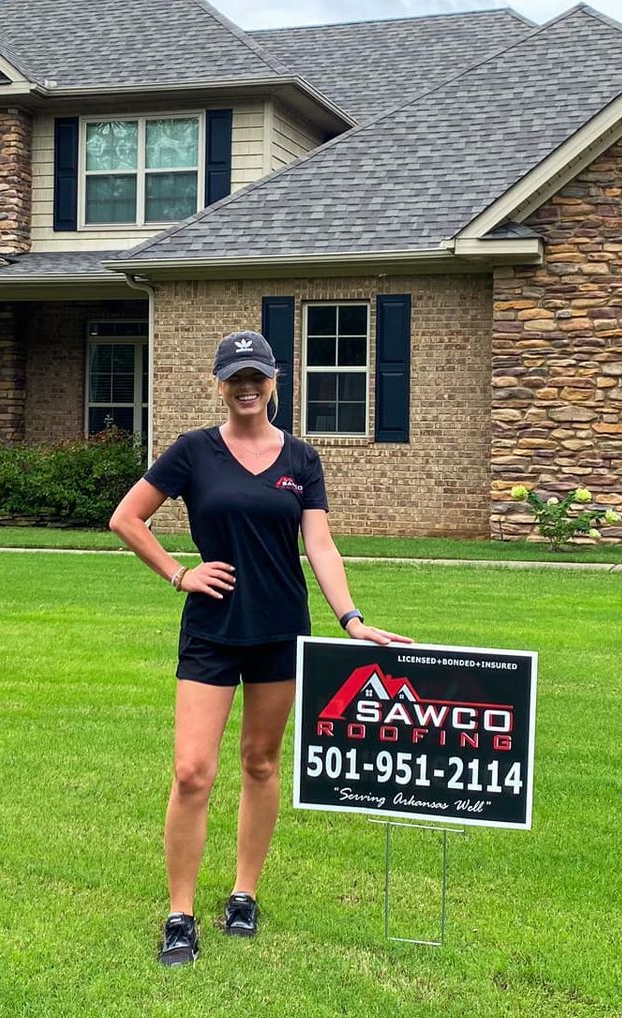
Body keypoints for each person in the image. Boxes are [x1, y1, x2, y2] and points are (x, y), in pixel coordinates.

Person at [109, 329, 410, 967]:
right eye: (234, 377)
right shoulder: (193, 452)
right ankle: (180, 913)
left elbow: (319, 546)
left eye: (257, 376)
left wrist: (351, 619)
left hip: (279, 629)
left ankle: (244, 893)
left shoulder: (301, 460)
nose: (246, 387)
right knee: (192, 772)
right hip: (212, 632)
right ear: (220, 385)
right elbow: (127, 517)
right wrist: (179, 572)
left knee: (261, 764)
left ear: (274, 382)